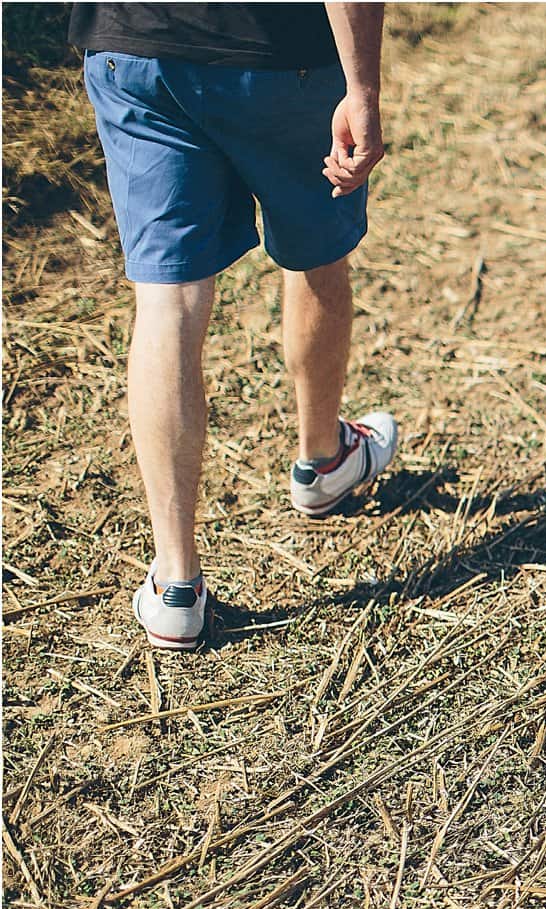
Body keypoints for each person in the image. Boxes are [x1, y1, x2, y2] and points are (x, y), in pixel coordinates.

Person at [72, 2, 397, 650]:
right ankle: (322, 461)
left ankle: (176, 588)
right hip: (280, 54)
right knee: (315, 253)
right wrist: (362, 87)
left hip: (133, 46)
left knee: (167, 299)